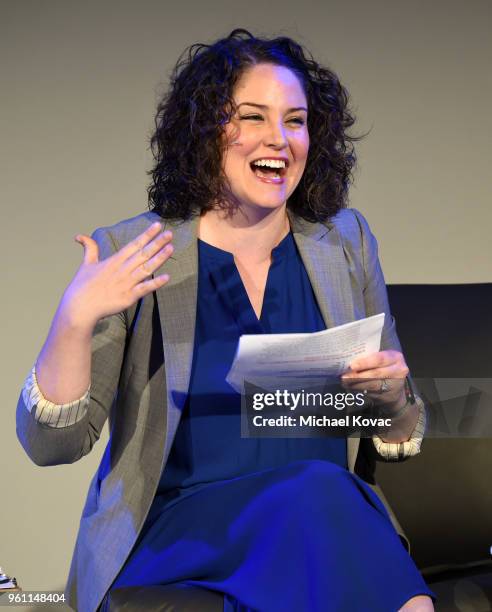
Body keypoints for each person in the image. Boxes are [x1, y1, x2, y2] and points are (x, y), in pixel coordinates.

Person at [16, 29, 435, 612]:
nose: (279, 140)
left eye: (296, 120)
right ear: (204, 130)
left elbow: (400, 430)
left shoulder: (346, 243)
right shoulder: (136, 248)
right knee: (325, 501)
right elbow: (51, 445)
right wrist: (73, 318)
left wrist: (392, 402)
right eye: (251, 117)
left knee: (324, 498)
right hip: (182, 530)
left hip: (320, 523)